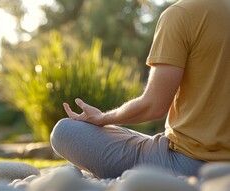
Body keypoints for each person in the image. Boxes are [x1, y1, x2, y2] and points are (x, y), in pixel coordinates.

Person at [50, 0, 230, 179]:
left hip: (191, 162)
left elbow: (153, 106)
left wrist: (103, 118)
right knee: (124, 135)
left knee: (65, 131)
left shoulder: (181, 14)